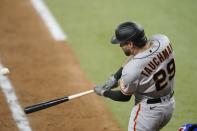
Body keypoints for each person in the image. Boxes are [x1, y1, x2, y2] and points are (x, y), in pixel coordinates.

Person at [94, 21, 176, 131]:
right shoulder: (163, 40)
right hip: (169, 107)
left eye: (122, 43)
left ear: (130, 44)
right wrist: (116, 77)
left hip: (148, 114)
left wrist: (103, 92)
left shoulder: (131, 71)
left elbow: (124, 96)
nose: (120, 45)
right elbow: (141, 54)